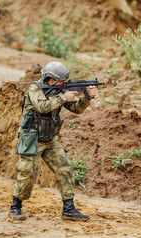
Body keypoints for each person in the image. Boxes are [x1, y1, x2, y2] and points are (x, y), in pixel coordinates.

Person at [9, 61, 98, 221]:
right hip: (32, 138)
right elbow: (42, 106)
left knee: (64, 168)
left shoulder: (59, 91)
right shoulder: (34, 89)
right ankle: (15, 207)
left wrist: (87, 97)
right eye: (61, 82)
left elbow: (77, 109)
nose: (63, 85)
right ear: (51, 80)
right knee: (27, 173)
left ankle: (69, 209)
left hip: (49, 138)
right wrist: (63, 97)